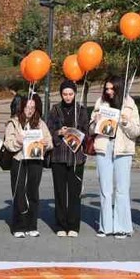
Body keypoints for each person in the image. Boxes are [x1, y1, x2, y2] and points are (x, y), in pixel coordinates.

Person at [91, 76, 140, 238]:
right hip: (104, 147)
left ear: (119, 88)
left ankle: (122, 227)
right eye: (106, 89)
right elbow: (91, 128)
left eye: (112, 89)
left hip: (123, 149)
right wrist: (95, 122)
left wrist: (125, 122)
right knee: (105, 189)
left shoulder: (130, 104)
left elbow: (136, 131)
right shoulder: (101, 103)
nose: (109, 92)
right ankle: (105, 226)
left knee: (122, 189)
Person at [3, 93, 52, 237]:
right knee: (19, 192)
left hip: (35, 160)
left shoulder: (40, 123)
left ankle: (32, 224)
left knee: (33, 192)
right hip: (19, 160)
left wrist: (45, 143)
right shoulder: (14, 122)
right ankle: (18, 226)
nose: (29, 110)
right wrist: (18, 141)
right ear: (22, 107)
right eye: (27, 107)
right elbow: (8, 144)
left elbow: (49, 141)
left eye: (32, 107)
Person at [48, 79, 90, 236]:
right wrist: (59, 132)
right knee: (59, 192)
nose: (67, 97)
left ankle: (73, 225)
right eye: (65, 94)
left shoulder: (81, 110)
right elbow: (49, 130)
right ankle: (60, 225)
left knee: (74, 192)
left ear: (75, 94)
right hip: (58, 157)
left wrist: (78, 134)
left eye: (70, 94)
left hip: (76, 157)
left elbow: (87, 131)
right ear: (61, 94)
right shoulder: (55, 109)